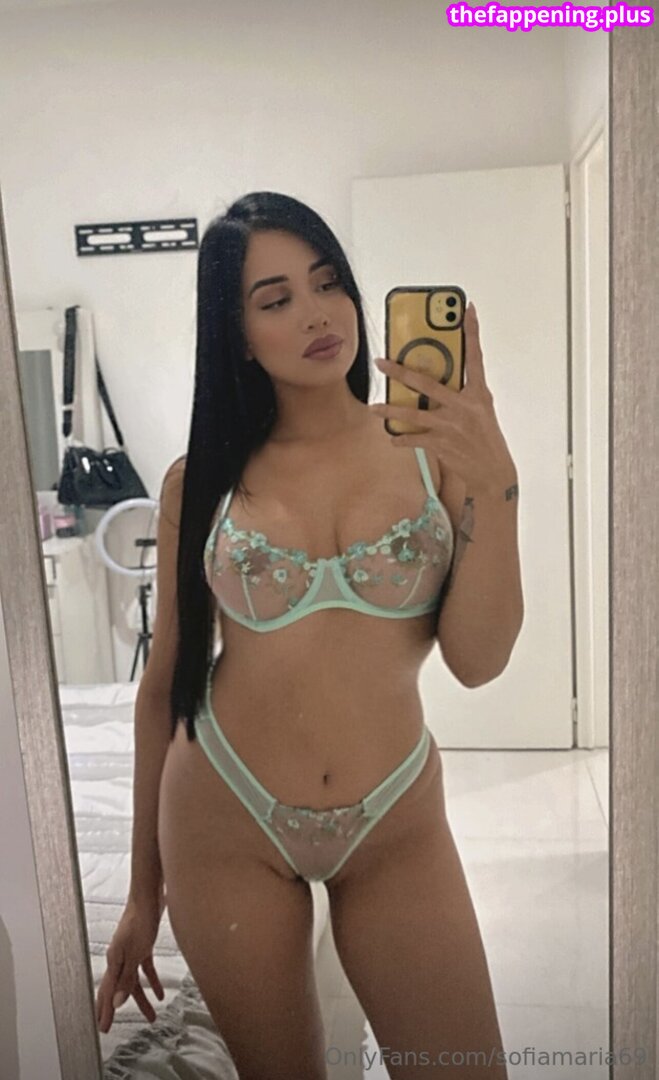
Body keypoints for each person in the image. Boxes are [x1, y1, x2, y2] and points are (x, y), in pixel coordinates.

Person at [96, 191, 523, 1078]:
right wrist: (142, 893)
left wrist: (497, 489)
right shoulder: (198, 482)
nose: (317, 314)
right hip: (224, 818)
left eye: (328, 284)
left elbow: (479, 662)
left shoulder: (432, 453)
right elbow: (162, 685)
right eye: (276, 299)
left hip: (394, 818)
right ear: (238, 335)